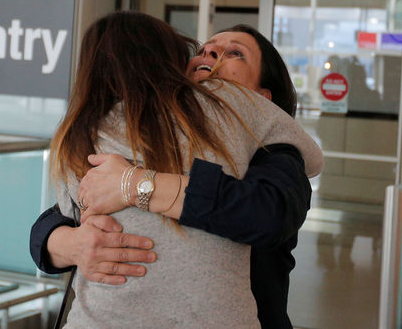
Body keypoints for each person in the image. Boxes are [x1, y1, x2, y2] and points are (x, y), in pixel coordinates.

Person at [31, 23, 318, 328]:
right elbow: (53, 220)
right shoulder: (158, 133)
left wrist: (135, 185)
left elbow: (268, 213)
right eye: (204, 49)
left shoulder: (277, 151)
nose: (211, 53)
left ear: (264, 98)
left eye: (235, 53)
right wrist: (72, 243)